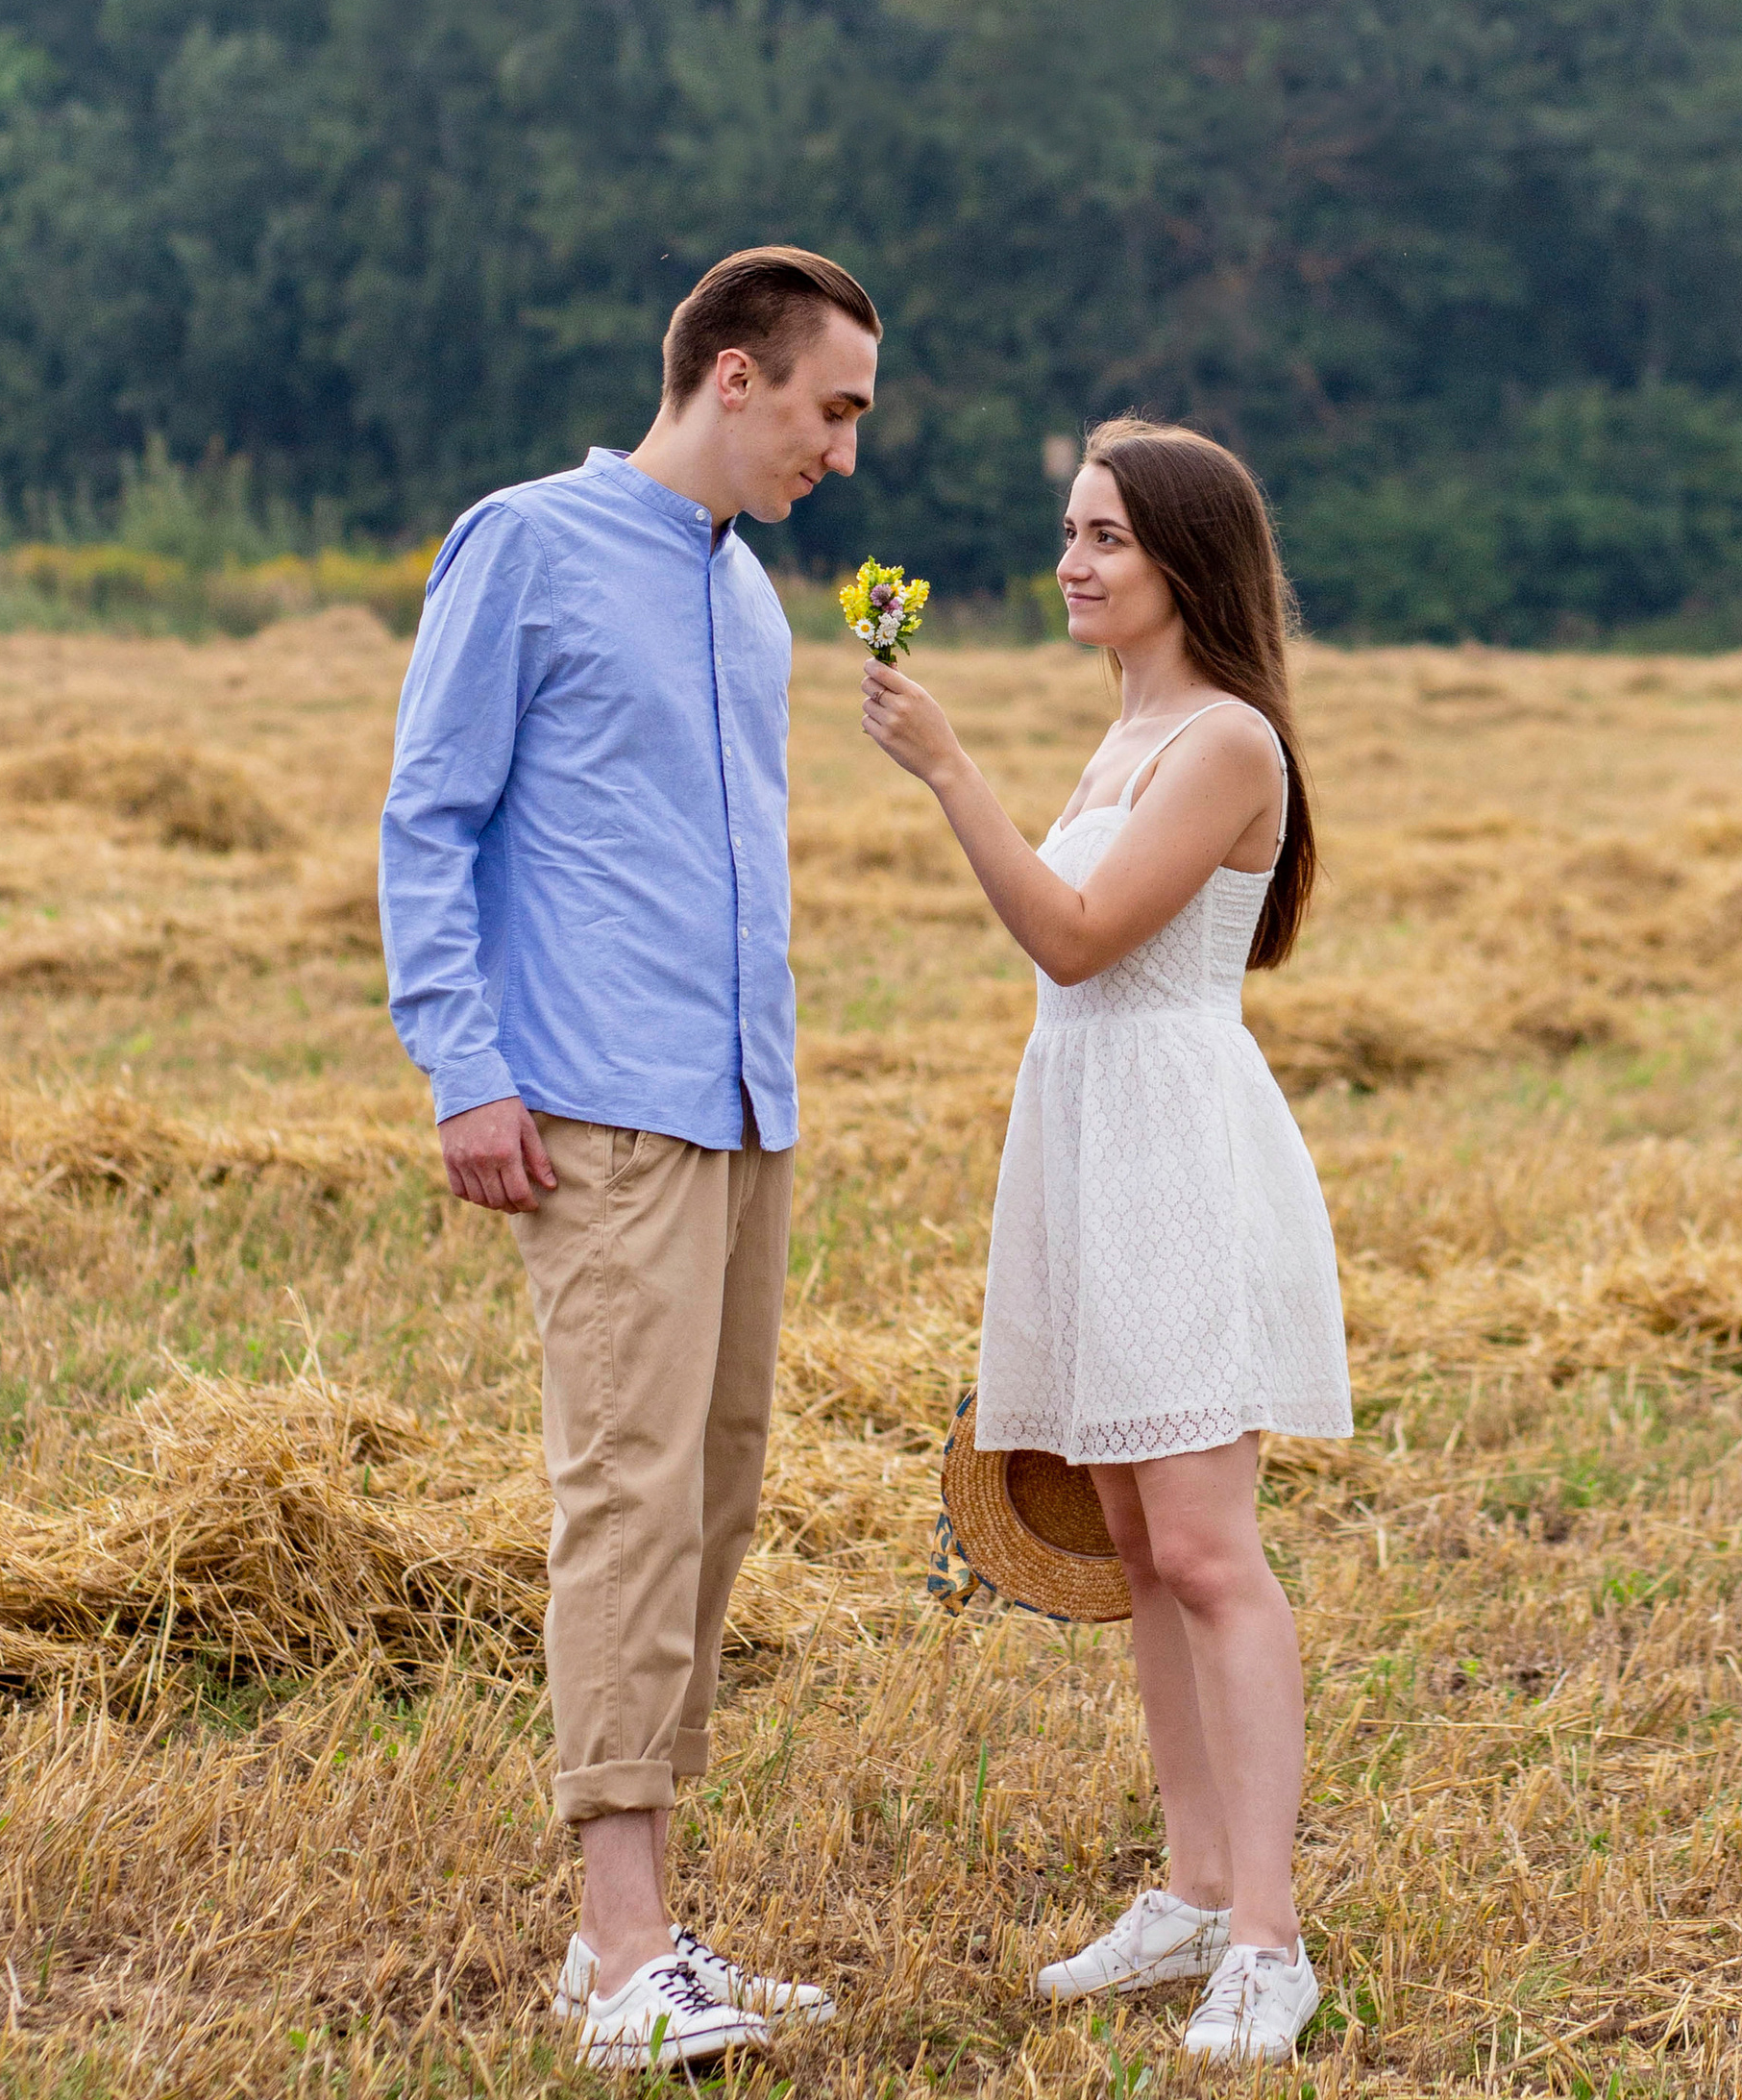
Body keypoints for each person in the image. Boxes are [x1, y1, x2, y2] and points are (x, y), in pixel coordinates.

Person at [379, 246, 880, 2071]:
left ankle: (647, 1932)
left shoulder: (751, 603)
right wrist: (464, 1069)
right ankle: (616, 1947)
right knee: (625, 1494)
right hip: (593, 1107)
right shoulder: (522, 543)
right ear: (731, 378)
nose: (844, 451)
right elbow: (430, 818)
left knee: (717, 1499)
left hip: (748, 1108)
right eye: (833, 409)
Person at [859, 416, 1352, 2067]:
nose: (1071, 562)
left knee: (1210, 1553)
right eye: (1071, 531)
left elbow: (1073, 942)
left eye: (1106, 540)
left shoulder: (1223, 743)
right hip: (1087, 1140)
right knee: (1134, 1551)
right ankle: (1195, 1891)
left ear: (1186, 564)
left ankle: (1269, 1941)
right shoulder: (1123, 734)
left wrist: (946, 768)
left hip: (1175, 1153)